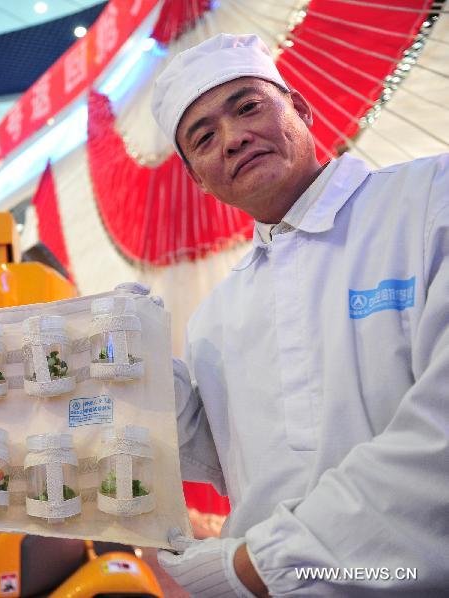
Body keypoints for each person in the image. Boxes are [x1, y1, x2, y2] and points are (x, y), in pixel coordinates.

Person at [148, 34, 448, 596]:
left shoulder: (430, 202)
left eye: (248, 106)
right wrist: (136, 372)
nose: (234, 138)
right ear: (199, 178)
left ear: (301, 108)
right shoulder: (214, 318)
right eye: (205, 138)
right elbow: (239, 460)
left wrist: (260, 568)